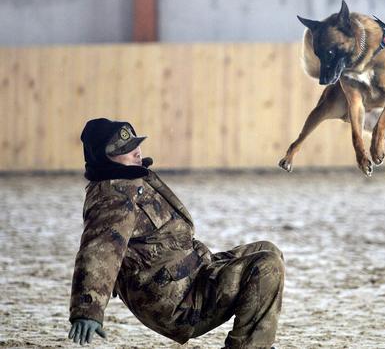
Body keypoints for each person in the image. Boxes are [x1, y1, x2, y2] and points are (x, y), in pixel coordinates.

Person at [68, 118, 285, 349]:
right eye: (124, 149)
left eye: (134, 144)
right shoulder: (114, 197)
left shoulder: (130, 179)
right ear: (103, 158)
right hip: (177, 302)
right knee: (266, 266)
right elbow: (99, 251)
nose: (135, 152)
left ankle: (254, 342)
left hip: (191, 276)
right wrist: (87, 309)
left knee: (267, 249)